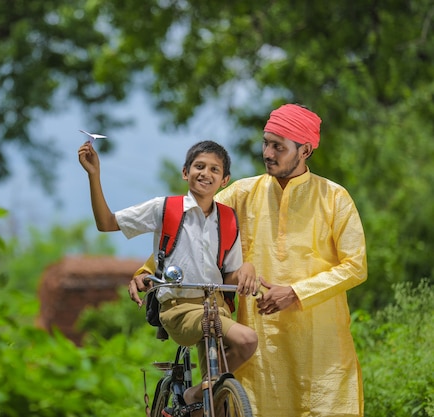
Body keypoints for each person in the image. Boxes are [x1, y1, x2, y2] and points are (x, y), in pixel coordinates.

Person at [129, 104, 368, 417]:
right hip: (259, 345)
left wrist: (295, 292)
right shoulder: (241, 194)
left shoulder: (334, 198)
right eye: (266, 143)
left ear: (305, 150)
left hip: (320, 347)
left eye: (278, 147)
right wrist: (148, 270)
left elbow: (355, 266)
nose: (268, 153)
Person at [78, 139, 258, 415]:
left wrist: (248, 270)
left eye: (214, 169)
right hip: (179, 307)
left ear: (225, 180)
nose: (205, 173)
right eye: (199, 166)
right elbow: (107, 222)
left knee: (215, 405)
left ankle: (200, 397)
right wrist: (94, 175)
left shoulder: (229, 219)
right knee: (246, 340)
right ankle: (194, 393)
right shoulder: (165, 208)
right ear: (185, 172)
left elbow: (230, 274)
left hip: (216, 307)